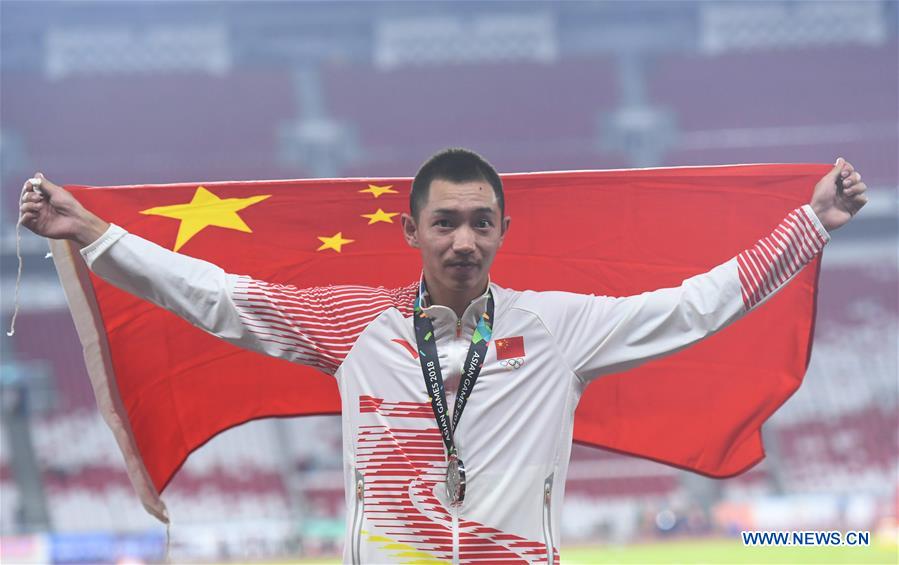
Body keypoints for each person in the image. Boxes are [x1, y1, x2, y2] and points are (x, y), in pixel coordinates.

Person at [19, 148, 867, 564]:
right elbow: (214, 296)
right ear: (412, 230)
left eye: (480, 222)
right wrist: (93, 234)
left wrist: (808, 224)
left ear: (502, 230)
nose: (463, 238)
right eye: (445, 222)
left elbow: (694, 304)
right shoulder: (352, 324)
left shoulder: (558, 329)